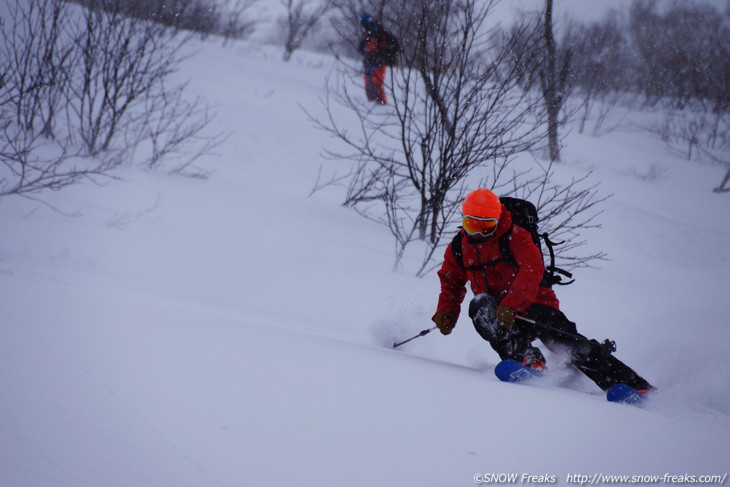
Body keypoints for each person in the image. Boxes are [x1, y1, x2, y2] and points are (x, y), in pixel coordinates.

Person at [432, 188, 654, 394]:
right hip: (497, 310)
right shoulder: (459, 247)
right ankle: (526, 359)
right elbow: (451, 282)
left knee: (567, 345)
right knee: (480, 308)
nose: (478, 233)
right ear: (463, 221)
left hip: (534, 304)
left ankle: (632, 386)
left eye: (486, 226)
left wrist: (512, 303)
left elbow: (532, 270)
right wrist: (447, 312)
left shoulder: (516, 236)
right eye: (472, 225)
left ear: (497, 221)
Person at [357, 12, 398, 105]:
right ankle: (373, 104)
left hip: (378, 62)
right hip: (371, 62)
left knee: (376, 83)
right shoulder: (372, 33)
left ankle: (380, 105)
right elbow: (361, 47)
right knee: (370, 83)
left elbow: (361, 48)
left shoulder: (378, 33)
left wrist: (382, 55)